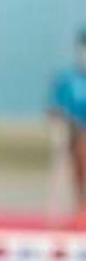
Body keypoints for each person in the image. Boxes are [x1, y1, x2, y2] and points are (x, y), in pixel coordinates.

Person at [49, 28, 86, 222]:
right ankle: (81, 204)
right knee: (81, 146)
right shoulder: (67, 80)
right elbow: (54, 110)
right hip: (74, 132)